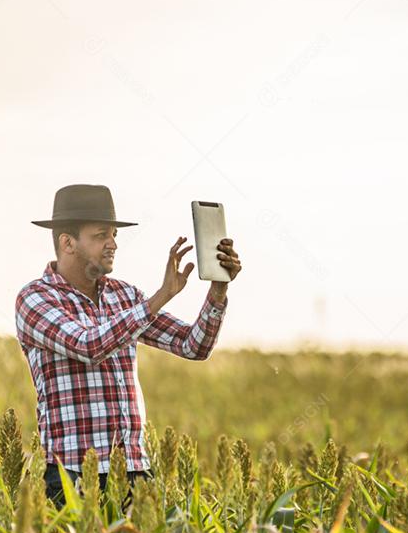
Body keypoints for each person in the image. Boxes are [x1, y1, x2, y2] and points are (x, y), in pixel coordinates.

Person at [14, 184, 242, 508]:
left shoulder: (125, 297)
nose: (113, 244)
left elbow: (193, 346)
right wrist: (160, 297)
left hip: (135, 472)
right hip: (72, 477)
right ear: (68, 243)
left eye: (114, 235)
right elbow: (88, 345)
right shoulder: (36, 298)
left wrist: (218, 290)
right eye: (101, 235)